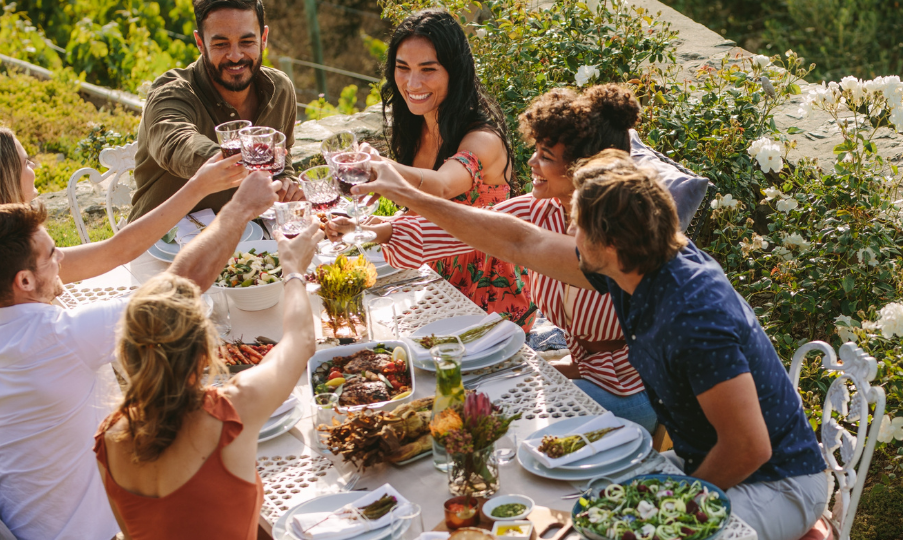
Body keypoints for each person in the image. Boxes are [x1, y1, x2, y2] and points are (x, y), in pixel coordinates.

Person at [352, 150, 828, 540]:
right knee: (576, 505)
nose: (569, 235)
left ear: (612, 245)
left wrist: (658, 505)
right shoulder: (638, 265)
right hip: (699, 457)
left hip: (779, 483)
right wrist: (408, 195)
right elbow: (517, 240)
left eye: (577, 227)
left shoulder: (693, 316)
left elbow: (749, 447)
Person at [0, 170, 287, 540]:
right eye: (52, 253)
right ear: (24, 281)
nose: (61, 258)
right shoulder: (62, 338)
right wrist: (238, 209)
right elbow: (180, 288)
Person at [332, 85, 657, 431]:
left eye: (545, 156)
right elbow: (463, 229)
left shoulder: (620, 236)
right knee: (464, 397)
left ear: (583, 168)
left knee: (486, 423)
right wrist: (376, 229)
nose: (531, 161)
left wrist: (402, 189)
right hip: (587, 371)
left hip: (634, 389)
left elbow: (514, 240)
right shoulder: (542, 210)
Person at [94, 222, 319, 539]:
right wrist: (293, 271)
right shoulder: (231, 411)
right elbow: (302, 339)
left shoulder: (108, 437)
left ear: (127, 356)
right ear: (205, 354)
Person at [0, 124, 246, 349]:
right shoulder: (10, 277)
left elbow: (116, 251)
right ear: (2, 183)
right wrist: (199, 188)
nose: (34, 168)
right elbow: (117, 251)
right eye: (26, 163)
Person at [358, 8, 535, 329]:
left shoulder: (483, 139)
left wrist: (384, 168)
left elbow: (441, 185)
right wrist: (379, 224)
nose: (412, 82)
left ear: (455, 71)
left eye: (428, 69)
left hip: (494, 306)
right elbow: (430, 214)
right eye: (403, 68)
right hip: (437, 288)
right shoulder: (416, 131)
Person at [129, 0, 303, 222]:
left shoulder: (280, 90)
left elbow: (283, 156)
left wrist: (287, 183)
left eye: (247, 41)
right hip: (162, 241)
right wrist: (245, 160)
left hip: (248, 238)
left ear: (264, 38)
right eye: (221, 44)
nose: (235, 55)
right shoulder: (170, 93)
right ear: (200, 43)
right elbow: (176, 143)